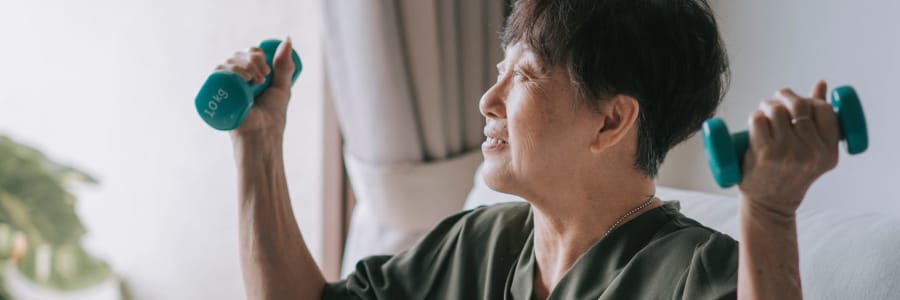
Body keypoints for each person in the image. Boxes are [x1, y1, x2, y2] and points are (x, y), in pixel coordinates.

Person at [221, 0, 839, 299]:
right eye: (500, 66)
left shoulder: (698, 273)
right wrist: (258, 143)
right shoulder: (478, 245)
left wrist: (770, 214)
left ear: (611, 120)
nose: (489, 99)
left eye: (527, 75)